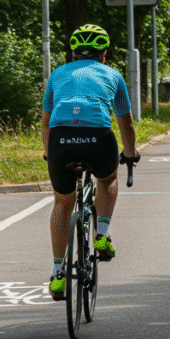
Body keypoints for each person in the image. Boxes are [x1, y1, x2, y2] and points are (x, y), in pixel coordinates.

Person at [41, 24, 140, 300]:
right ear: (104, 54)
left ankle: (58, 275)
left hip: (61, 140)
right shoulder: (113, 75)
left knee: (63, 202)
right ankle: (102, 234)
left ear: (73, 53)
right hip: (98, 139)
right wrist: (130, 153)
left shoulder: (57, 74)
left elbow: (45, 122)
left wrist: (50, 153)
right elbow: (126, 122)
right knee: (107, 180)